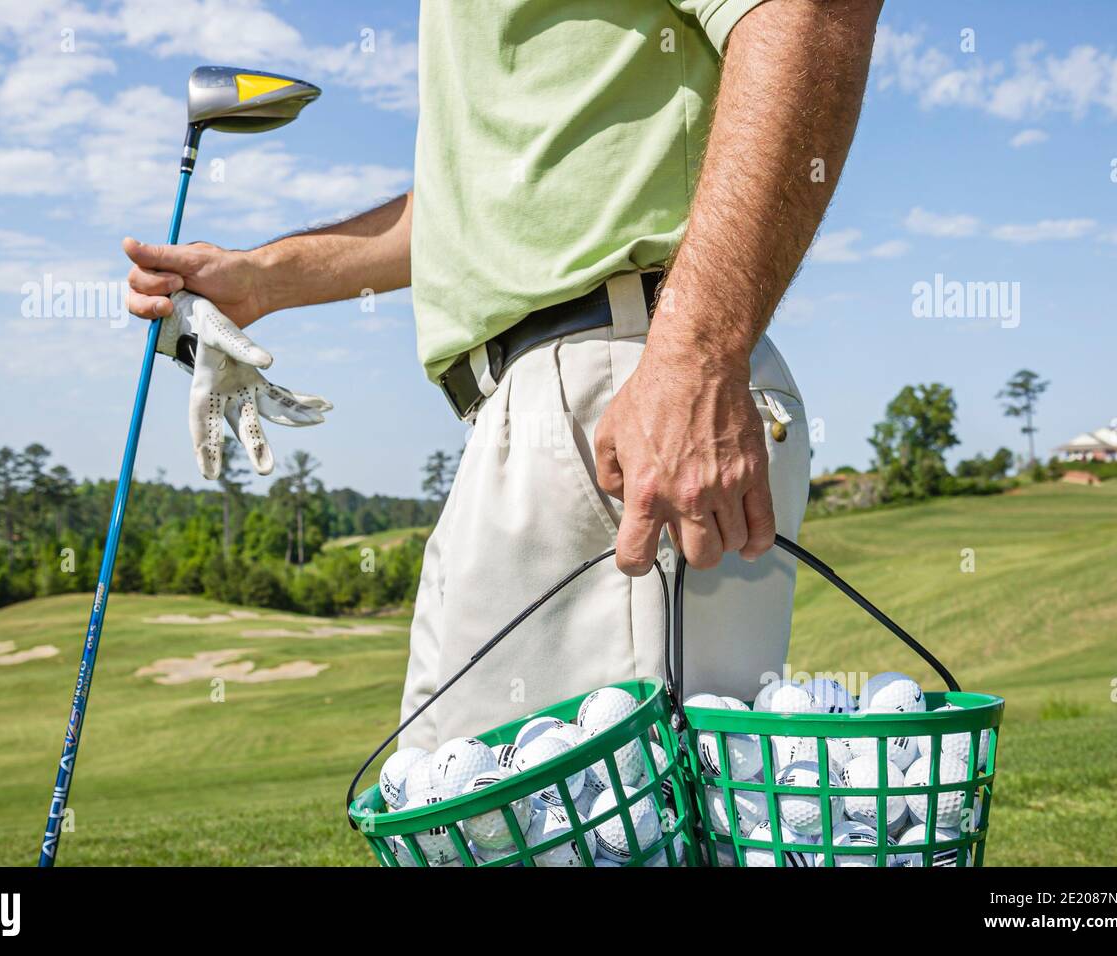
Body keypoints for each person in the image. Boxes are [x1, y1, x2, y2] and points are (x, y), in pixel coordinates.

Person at [126, 0, 883, 748]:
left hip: (628, 386)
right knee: (454, 807)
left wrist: (697, 355)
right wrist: (262, 280)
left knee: (591, 828)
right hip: (523, 414)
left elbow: (808, 13)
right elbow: (478, 206)